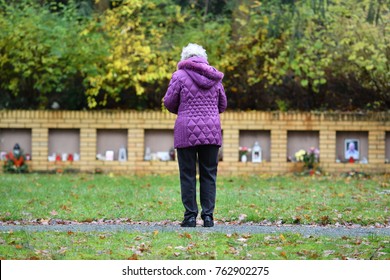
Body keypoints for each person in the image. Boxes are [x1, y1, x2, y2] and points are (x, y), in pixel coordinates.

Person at [163, 43, 227, 227]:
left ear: (185, 58)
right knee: (209, 174)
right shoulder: (214, 77)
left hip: (186, 131)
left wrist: (183, 110)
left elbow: (169, 102)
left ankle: (190, 217)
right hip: (211, 131)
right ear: (203, 58)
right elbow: (222, 105)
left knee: (188, 174)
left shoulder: (179, 76)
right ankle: (208, 217)